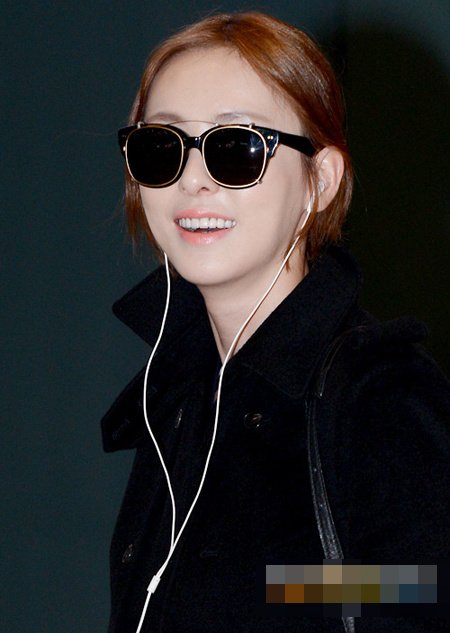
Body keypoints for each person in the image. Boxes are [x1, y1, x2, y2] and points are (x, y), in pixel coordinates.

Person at [102, 11, 450, 633]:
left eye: (236, 148)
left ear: (320, 180)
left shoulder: (379, 396)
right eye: (162, 148)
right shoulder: (175, 398)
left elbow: (418, 590)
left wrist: (279, 586)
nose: (193, 181)